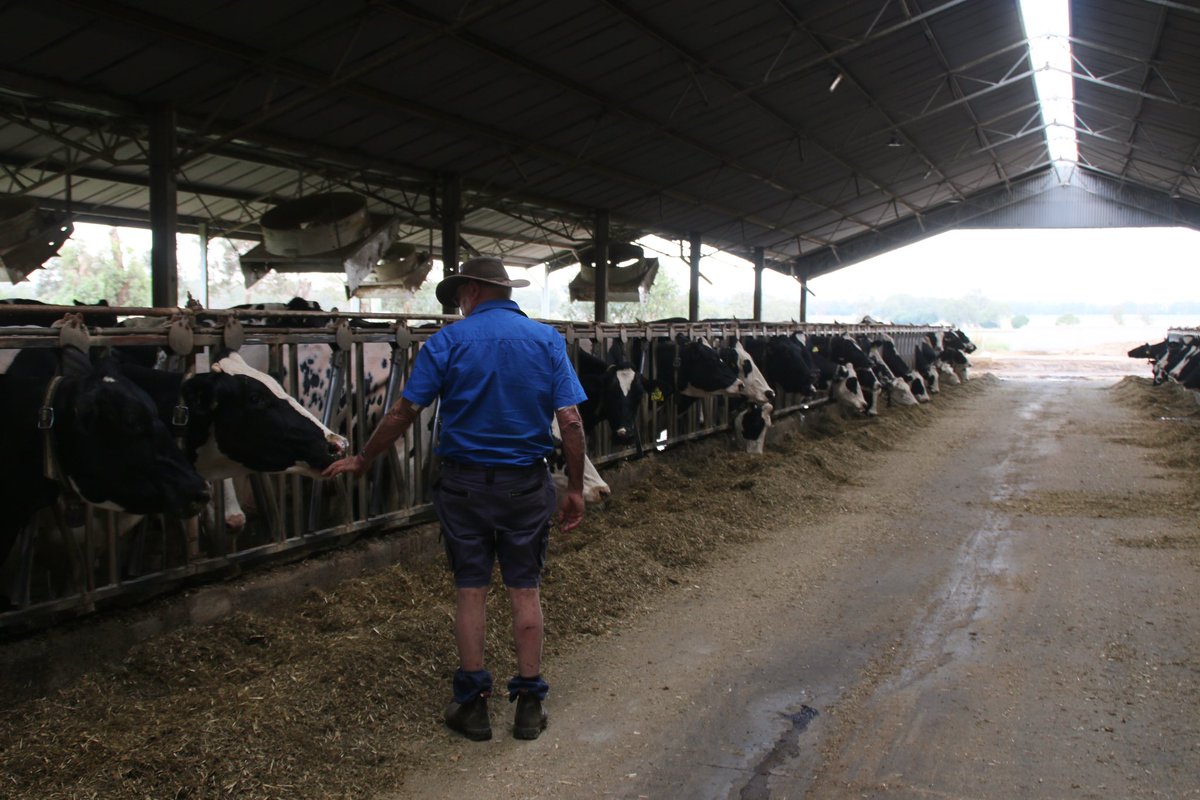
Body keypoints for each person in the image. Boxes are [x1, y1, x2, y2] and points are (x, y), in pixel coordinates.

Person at [323, 255, 588, 742]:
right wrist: (574, 487)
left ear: (471, 292)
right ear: (503, 291)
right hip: (526, 485)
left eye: (458, 297)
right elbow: (570, 421)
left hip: (463, 486)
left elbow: (404, 413)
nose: (458, 306)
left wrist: (363, 458)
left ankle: (473, 706)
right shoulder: (547, 341)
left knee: (471, 589)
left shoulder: (447, 341)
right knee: (524, 589)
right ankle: (529, 704)